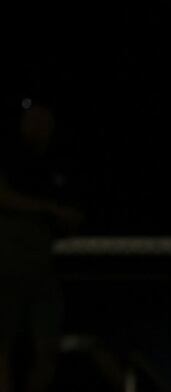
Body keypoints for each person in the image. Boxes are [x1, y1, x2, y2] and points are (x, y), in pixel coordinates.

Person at [1, 99, 83, 392]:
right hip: (8, 264)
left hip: (43, 268)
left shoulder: (58, 163)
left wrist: (64, 217)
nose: (38, 123)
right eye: (32, 117)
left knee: (48, 349)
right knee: (4, 347)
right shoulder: (9, 154)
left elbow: (75, 213)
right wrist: (47, 209)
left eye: (43, 117)